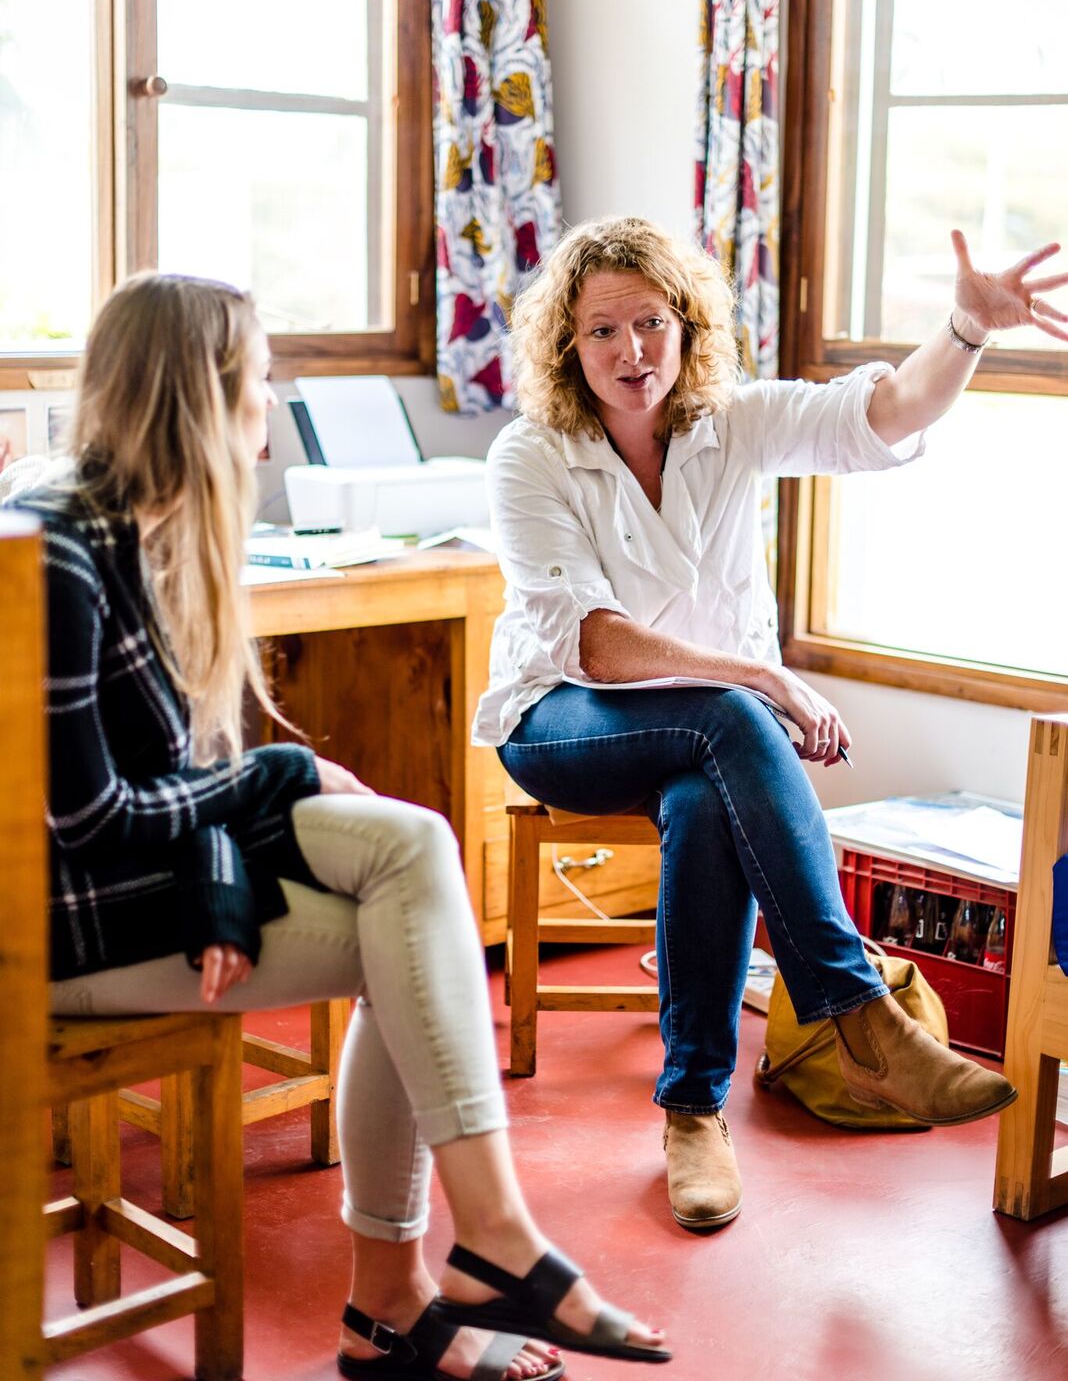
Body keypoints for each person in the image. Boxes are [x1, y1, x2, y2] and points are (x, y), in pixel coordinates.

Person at [15, 272, 671, 1379]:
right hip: (61, 929)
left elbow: (186, 775)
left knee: (416, 853)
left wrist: (229, 868)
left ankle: (430, 1280)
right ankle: (443, 1271)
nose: (270, 410)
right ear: (204, 395)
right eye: (260, 382)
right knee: (399, 903)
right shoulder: (62, 554)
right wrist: (282, 774)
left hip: (137, 886)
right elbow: (87, 817)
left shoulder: (151, 533)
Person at [475, 215, 1068, 1234]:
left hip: (705, 735)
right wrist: (764, 675)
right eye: (603, 331)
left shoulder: (731, 421)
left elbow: (878, 416)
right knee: (730, 714)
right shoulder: (529, 455)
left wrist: (965, 330)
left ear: (688, 325)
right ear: (569, 347)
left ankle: (693, 1113)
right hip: (562, 720)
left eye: (651, 322)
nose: (631, 352)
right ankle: (857, 1016)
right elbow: (600, 647)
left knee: (710, 788)